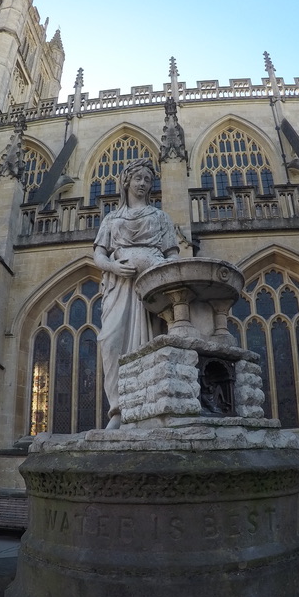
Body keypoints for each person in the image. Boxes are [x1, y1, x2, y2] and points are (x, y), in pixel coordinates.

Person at [94, 158, 178, 428]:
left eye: (147, 180)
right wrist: (113, 267)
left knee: (151, 342)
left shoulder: (160, 217)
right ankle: (117, 410)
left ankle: (150, 407)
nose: (142, 184)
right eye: (138, 178)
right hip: (118, 285)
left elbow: (173, 255)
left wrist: (159, 274)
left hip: (152, 285)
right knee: (110, 340)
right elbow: (98, 254)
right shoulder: (112, 219)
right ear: (126, 181)